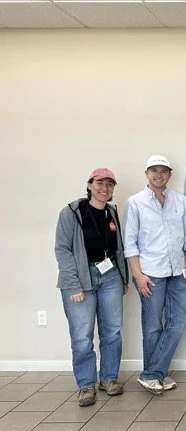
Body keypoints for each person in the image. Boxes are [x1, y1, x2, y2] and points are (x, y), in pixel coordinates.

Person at [55, 168, 129, 407]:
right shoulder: (71, 213)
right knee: (82, 336)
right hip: (81, 279)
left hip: (110, 277)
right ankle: (86, 385)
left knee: (112, 331)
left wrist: (123, 278)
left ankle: (109, 379)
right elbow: (62, 250)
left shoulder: (111, 212)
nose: (104, 188)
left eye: (109, 184)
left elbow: (118, 249)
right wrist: (73, 284)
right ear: (89, 185)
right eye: (99, 183)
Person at [124, 155, 186, 395]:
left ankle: (152, 374)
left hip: (177, 271)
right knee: (152, 326)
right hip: (150, 273)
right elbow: (130, 244)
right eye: (154, 170)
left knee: (178, 321)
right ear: (146, 173)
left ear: (169, 174)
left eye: (163, 171)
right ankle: (156, 375)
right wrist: (138, 275)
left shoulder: (180, 201)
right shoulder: (135, 203)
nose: (159, 175)